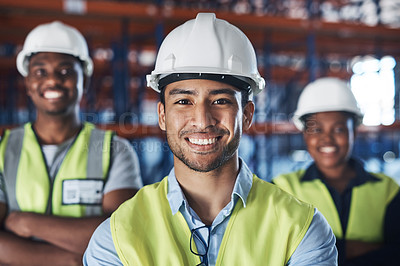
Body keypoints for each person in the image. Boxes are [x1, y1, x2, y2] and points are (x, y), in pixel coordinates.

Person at [84, 13, 337, 265]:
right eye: (184, 102)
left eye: (220, 101)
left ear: (247, 115)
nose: (203, 121)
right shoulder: (117, 237)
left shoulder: (302, 229)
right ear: (162, 115)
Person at [0, 21, 143, 265]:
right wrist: (71, 260)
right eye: (40, 72)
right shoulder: (3, 150)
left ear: (84, 81)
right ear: (27, 83)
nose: (53, 80)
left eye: (65, 71)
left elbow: (122, 234)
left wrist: (25, 222)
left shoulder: (115, 151)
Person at [273, 77, 400, 265]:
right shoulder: (281, 189)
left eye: (339, 129)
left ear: (354, 132)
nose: (327, 139)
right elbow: (277, 252)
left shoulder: (388, 190)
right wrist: (356, 248)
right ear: (304, 134)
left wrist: (316, 249)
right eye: (316, 129)